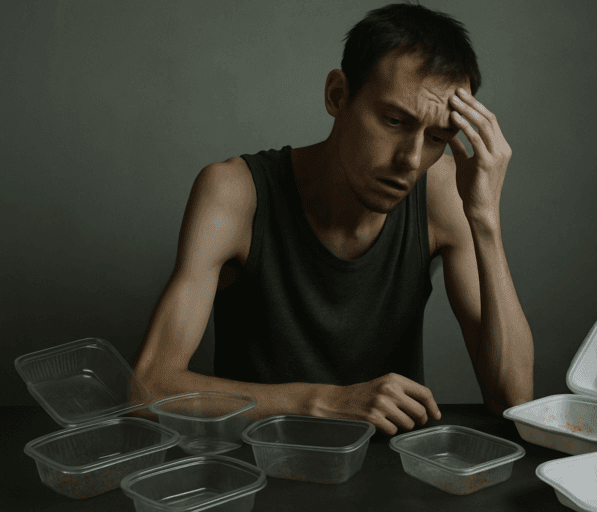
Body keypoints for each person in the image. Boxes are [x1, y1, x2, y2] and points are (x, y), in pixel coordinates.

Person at [131, 1, 533, 436]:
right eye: (395, 120)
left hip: (387, 476)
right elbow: (148, 389)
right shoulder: (234, 193)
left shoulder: (442, 196)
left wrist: (485, 220)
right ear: (338, 95)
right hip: (260, 466)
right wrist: (323, 401)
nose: (412, 160)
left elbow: (512, 397)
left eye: (437, 138)